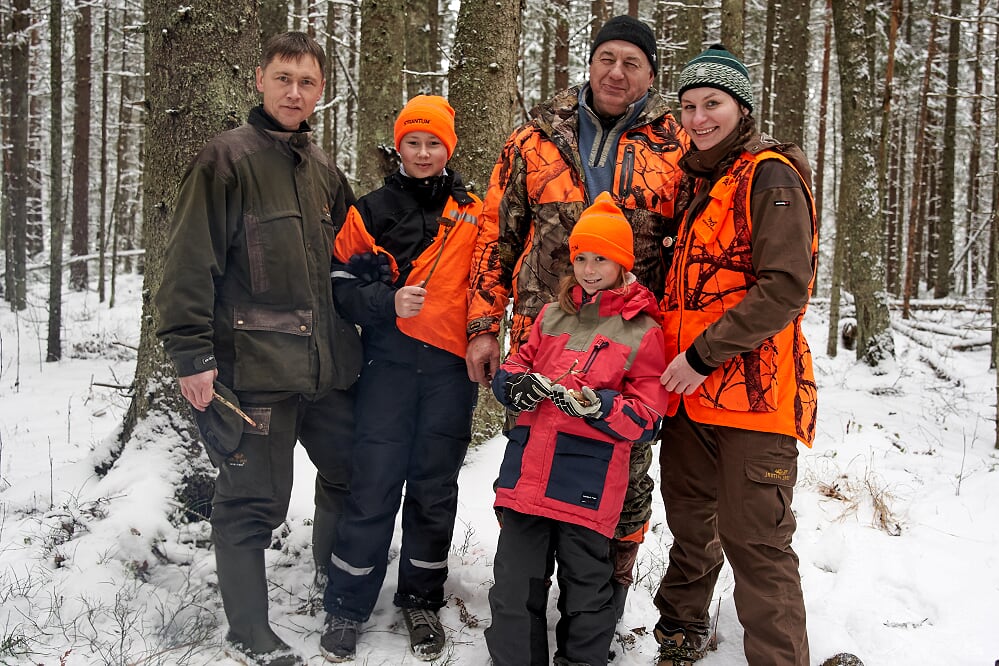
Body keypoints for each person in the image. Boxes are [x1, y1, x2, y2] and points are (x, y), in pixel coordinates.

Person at [466, 14, 688, 632]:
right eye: (607, 58)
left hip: (629, 348)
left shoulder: (675, 146)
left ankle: (599, 612)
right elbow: (497, 233)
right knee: (532, 469)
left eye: (633, 63)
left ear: (650, 74)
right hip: (544, 343)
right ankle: (523, 606)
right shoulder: (535, 138)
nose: (617, 72)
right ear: (590, 63)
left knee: (625, 475)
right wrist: (484, 323)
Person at [154, 32, 360, 666]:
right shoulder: (225, 161)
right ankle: (249, 629)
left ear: (321, 91)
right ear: (259, 81)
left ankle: (332, 579)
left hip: (326, 371)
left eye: (307, 81)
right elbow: (189, 262)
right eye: (283, 78)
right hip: (254, 371)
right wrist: (191, 356)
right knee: (251, 503)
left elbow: (353, 263)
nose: (294, 91)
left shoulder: (325, 171)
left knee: (353, 474)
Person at [652, 45, 818, 666]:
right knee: (692, 527)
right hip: (691, 396)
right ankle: (680, 632)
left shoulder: (768, 174)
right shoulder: (695, 180)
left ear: (740, 107)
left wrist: (700, 355)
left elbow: (785, 287)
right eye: (689, 105)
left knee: (757, 544)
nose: (698, 118)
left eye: (712, 104)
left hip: (752, 393)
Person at [319, 95, 486, 663]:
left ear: (449, 147)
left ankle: (420, 600)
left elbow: (490, 285)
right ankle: (346, 605)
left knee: (434, 489)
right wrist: (388, 302)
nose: (422, 152)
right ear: (399, 146)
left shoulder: (474, 211)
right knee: (374, 485)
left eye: (433, 142)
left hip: (448, 372)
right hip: (387, 367)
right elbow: (342, 287)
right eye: (412, 141)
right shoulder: (371, 210)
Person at [484, 193, 670, 666]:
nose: (588, 269)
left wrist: (600, 405)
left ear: (622, 263)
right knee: (512, 584)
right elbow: (515, 363)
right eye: (581, 257)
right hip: (528, 475)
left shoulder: (643, 329)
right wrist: (513, 384)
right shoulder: (550, 314)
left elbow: (649, 415)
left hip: (587, 483)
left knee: (587, 592)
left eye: (601, 259)